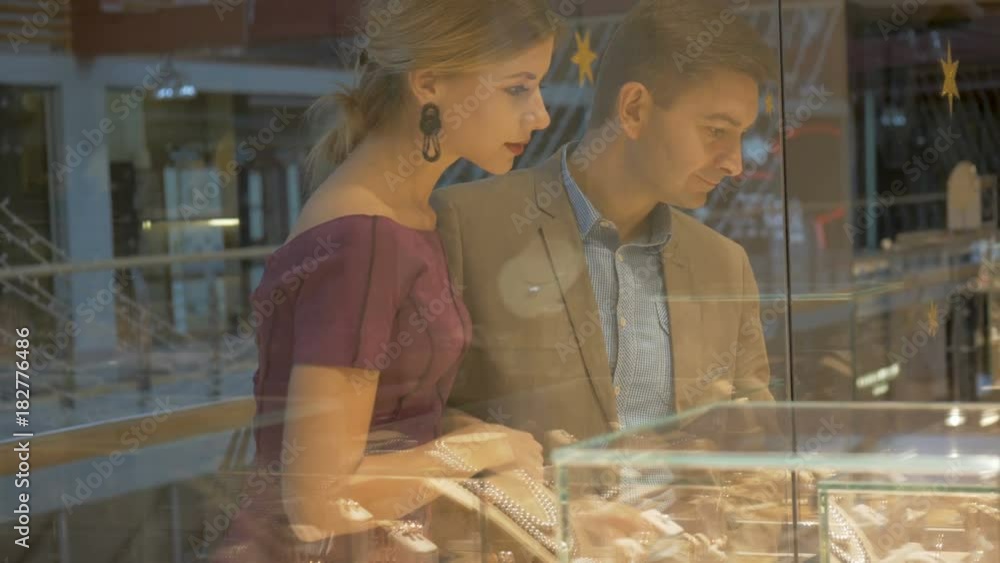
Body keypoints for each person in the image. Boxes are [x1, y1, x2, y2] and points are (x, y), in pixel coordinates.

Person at [211, 1, 556, 561]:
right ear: (430, 84)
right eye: (519, 88)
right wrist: (480, 448)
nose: (540, 114)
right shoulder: (365, 235)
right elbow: (318, 500)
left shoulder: (403, 214)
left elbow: (395, 421)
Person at [432, 0, 781, 546]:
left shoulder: (723, 265)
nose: (735, 162)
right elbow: (410, 430)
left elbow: (755, 449)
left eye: (739, 136)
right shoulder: (465, 225)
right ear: (636, 109)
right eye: (716, 130)